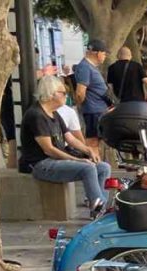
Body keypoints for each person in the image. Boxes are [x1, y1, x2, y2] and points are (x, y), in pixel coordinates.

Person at [21, 75, 110, 215]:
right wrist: (76, 160)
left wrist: (89, 150)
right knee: (87, 168)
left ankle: (97, 202)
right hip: (41, 164)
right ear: (51, 94)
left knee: (103, 167)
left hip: (55, 160)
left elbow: (70, 138)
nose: (66, 96)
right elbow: (49, 149)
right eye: (63, 93)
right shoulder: (36, 115)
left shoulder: (54, 114)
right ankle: (98, 207)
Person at [73, 39, 112, 149]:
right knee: (92, 142)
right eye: (104, 54)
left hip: (97, 111)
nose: (105, 56)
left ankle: (96, 164)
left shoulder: (89, 67)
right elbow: (80, 93)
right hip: (93, 112)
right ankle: (93, 164)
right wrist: (80, 107)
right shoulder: (85, 67)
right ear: (98, 53)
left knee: (96, 142)